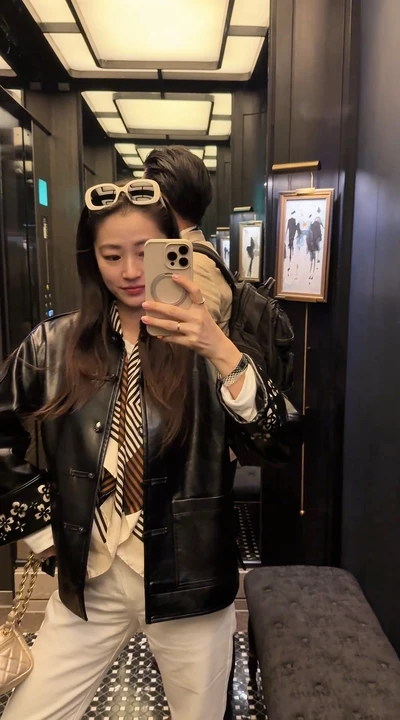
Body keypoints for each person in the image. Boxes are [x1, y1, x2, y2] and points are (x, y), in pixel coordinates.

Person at [0, 179, 286, 720]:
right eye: (112, 255)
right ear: (92, 259)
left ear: (172, 249)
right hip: (91, 579)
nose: (130, 271)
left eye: (145, 252)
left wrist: (219, 348)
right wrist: (44, 532)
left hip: (190, 583)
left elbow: (278, 442)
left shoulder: (210, 344)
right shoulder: (54, 345)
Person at [144, 146, 232, 334]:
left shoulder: (191, 265)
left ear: (162, 201)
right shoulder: (199, 250)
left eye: (146, 197)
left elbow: (191, 344)